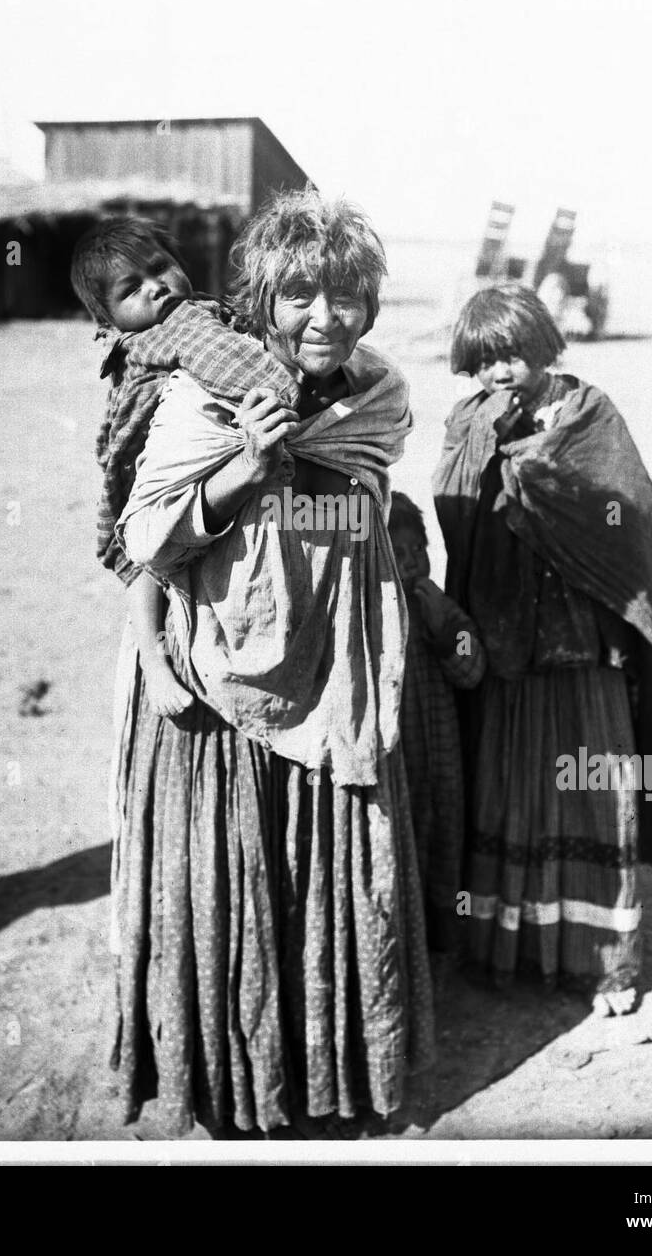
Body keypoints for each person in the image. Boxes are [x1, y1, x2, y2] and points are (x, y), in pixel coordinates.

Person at [111, 188, 434, 1137]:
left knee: (330, 876)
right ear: (261, 299)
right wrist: (244, 471)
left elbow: (367, 503)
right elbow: (146, 536)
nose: (323, 318)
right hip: (223, 679)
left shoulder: (380, 396)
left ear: (368, 304)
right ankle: (235, 1088)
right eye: (298, 297)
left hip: (335, 669)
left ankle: (332, 1075)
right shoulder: (201, 396)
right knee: (233, 875)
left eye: (342, 297)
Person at [433, 284, 652, 1017]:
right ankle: (508, 950)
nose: (500, 372)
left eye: (513, 354)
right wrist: (489, 449)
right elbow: (454, 512)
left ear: (546, 346)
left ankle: (605, 963)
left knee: (590, 791)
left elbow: (625, 519)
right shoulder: (468, 421)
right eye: (483, 361)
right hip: (507, 644)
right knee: (509, 788)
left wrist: (533, 472)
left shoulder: (588, 417)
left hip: (582, 649)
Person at [70, 216, 300, 719]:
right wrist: (284, 390)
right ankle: (155, 661)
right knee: (147, 561)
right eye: (131, 290)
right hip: (146, 478)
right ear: (108, 319)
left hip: (163, 463)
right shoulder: (180, 326)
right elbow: (245, 372)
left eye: (160, 268)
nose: (156, 289)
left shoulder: (187, 319)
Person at [387, 492, 485, 967]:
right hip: (400, 760)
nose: (411, 564)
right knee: (405, 849)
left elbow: (472, 669)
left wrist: (443, 626)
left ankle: (443, 946)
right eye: (397, 553)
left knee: (445, 839)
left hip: (442, 756)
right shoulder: (372, 614)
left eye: (418, 551)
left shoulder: (442, 607)